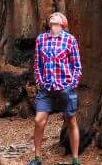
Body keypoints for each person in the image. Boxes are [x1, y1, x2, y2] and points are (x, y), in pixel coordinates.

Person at [30, 12, 81, 165]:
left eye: (57, 15)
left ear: (63, 23)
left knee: (71, 120)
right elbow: (37, 63)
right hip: (46, 88)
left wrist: (72, 84)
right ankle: (38, 158)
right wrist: (39, 81)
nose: (53, 16)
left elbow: (77, 66)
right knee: (39, 120)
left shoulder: (70, 40)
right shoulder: (41, 39)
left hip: (65, 87)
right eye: (52, 15)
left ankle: (75, 159)